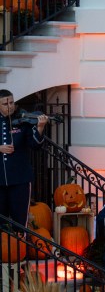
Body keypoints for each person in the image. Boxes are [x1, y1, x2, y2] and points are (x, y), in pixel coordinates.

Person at [0, 91, 48, 228]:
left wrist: (40, 127)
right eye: (5, 104)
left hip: (20, 179)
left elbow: (35, 145)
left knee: (20, 222)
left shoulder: (23, 121)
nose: (9, 106)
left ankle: (20, 249)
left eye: (11, 103)